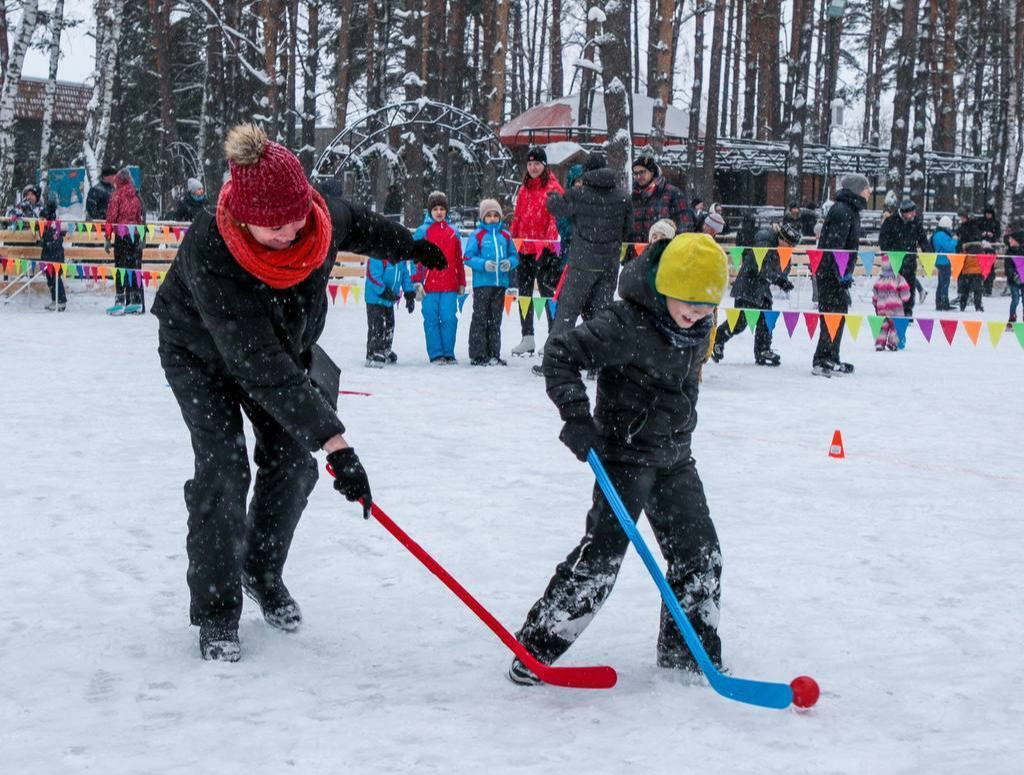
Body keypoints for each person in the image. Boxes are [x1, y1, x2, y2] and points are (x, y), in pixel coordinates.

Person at [151, 123, 446, 661]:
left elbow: (362, 225)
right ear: (243, 219)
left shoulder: (318, 219)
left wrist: (412, 248)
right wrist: (337, 443)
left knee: (293, 463)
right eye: (273, 229)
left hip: (281, 351)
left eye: (295, 221)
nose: (288, 234)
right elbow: (258, 365)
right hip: (201, 355)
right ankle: (217, 613)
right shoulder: (212, 249)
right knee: (224, 468)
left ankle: (260, 570)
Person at [509, 233, 728, 685]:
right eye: (686, 303)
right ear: (663, 286)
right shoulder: (625, 322)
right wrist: (576, 417)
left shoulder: (698, 323)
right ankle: (534, 651)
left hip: (674, 457)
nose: (696, 315)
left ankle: (687, 655)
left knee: (700, 554)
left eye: (705, 306)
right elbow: (561, 354)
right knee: (601, 561)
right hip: (624, 459)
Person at [544, 152, 631, 339]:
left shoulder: (578, 194)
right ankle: (597, 363)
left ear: (586, 171)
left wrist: (551, 197)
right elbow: (627, 229)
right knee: (601, 315)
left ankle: (556, 361)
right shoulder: (623, 197)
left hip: (582, 262)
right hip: (609, 264)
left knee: (567, 312)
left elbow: (557, 208)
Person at [712, 222, 798, 366]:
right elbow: (761, 267)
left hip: (762, 288)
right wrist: (778, 280)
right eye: (789, 245)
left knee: (766, 318)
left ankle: (763, 350)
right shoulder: (764, 243)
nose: (790, 249)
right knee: (740, 321)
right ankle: (717, 340)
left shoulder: (782, 249)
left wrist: (783, 279)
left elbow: (783, 268)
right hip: (748, 285)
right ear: (782, 238)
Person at [813, 173, 869, 377]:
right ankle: (822, 359)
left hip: (836, 272)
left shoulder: (850, 210)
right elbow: (835, 247)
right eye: (865, 188)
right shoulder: (843, 211)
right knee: (831, 315)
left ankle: (832, 357)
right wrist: (841, 273)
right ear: (856, 190)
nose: (869, 192)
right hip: (830, 273)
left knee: (838, 314)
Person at [510, 147, 564, 356]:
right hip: (524, 248)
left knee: (547, 293)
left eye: (537, 164)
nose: (533, 168)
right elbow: (518, 216)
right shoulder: (523, 189)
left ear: (544, 165)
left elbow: (555, 218)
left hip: (546, 250)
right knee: (524, 294)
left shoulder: (553, 188)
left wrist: (549, 243)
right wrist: (513, 239)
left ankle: (553, 336)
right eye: (530, 164)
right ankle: (527, 337)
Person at [411, 190, 466, 364]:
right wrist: (416, 282)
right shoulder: (422, 232)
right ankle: (436, 354)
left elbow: (458, 260)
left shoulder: (453, 232)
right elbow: (414, 259)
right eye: (435, 209)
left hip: (449, 285)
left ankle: (448, 352)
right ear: (430, 211)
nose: (439, 212)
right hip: (429, 286)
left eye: (442, 208)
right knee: (431, 320)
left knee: (449, 318)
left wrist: (461, 282)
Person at [464, 198, 519, 365]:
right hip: (482, 284)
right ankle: (478, 354)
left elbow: (515, 256)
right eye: (489, 215)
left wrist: (509, 263)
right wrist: (483, 264)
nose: (493, 218)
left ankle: (494, 353)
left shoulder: (505, 235)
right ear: (483, 217)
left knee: (495, 319)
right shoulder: (478, 235)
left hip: (500, 284)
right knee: (480, 318)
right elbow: (467, 257)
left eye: (496, 215)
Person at [104, 168, 147, 316]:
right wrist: (142, 237)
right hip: (134, 235)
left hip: (122, 236)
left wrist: (107, 238)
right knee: (133, 268)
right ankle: (135, 301)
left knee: (120, 268)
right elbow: (139, 218)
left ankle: (120, 301)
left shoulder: (116, 196)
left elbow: (111, 218)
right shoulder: (135, 195)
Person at [878, 198, 930, 316]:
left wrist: (928, 251)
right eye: (911, 212)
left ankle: (907, 312)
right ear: (904, 212)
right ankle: (893, 310)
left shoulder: (915, 222)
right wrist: (888, 254)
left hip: (910, 262)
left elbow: (922, 239)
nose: (914, 214)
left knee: (909, 288)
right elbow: (883, 239)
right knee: (893, 288)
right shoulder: (890, 221)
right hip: (894, 262)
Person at [363, 254, 416, 368]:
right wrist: (384, 291)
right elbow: (373, 276)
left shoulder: (399, 257)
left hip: (388, 299)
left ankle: (385, 349)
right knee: (378, 325)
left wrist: (409, 293)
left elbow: (404, 275)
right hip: (375, 298)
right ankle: (373, 353)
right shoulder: (378, 253)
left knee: (390, 324)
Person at [627, 154, 694, 244]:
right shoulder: (633, 197)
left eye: (642, 172)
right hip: (637, 254)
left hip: (664, 253)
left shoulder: (672, 194)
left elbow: (685, 227)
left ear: (652, 172)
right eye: (635, 173)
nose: (638, 176)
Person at [872, 255, 911, 351]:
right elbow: (905, 295)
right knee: (896, 325)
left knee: (882, 326)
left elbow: (875, 296)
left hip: (881, 308)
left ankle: (880, 344)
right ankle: (892, 342)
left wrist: (876, 304)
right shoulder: (899, 279)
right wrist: (905, 298)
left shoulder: (879, 280)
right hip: (895, 308)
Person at [40, 194, 67, 311]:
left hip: (55, 257)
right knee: (50, 280)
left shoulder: (55, 227)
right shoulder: (46, 228)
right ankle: (54, 299)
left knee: (56, 279)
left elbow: (55, 241)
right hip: (48, 256)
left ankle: (61, 301)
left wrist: (47, 242)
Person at [931, 216, 957, 311]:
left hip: (942, 260)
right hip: (944, 261)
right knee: (944, 283)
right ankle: (944, 303)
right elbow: (948, 247)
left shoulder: (938, 233)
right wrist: (954, 240)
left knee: (942, 283)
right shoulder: (941, 234)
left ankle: (940, 302)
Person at [1005, 228, 1024, 329]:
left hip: (1023, 279)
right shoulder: (1009, 251)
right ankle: (1012, 319)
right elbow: (1007, 266)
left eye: (1011, 239)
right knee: (1015, 299)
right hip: (1013, 280)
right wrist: (1013, 275)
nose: (1009, 241)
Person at [981, 207, 1000, 295]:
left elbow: (998, 234)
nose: (988, 215)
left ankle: (988, 288)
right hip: (982, 247)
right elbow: (977, 231)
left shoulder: (995, 223)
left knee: (990, 268)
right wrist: (982, 233)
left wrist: (992, 234)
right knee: (983, 268)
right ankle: (983, 287)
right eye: (986, 213)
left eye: (989, 213)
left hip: (991, 247)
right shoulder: (981, 222)